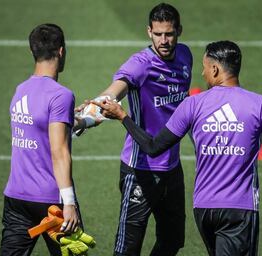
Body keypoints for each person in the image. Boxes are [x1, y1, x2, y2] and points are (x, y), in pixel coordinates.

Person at [98, 40, 262, 256]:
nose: (202, 73)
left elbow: (152, 146)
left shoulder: (192, 104)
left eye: (205, 67)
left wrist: (123, 117)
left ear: (216, 70)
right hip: (240, 210)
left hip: (204, 210)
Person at [77, 3, 192, 255]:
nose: (164, 40)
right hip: (139, 169)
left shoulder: (185, 56)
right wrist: (86, 116)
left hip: (172, 168)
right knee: (127, 249)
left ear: (179, 31)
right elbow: (114, 91)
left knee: (172, 241)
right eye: (158, 34)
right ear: (148, 31)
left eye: (169, 34)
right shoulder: (140, 64)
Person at [1, 23, 82, 255]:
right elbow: (59, 151)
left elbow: (38, 129)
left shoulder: (20, 91)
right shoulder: (61, 95)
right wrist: (69, 203)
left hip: (16, 198)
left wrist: (82, 122)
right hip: (51, 202)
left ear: (32, 51)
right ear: (61, 51)